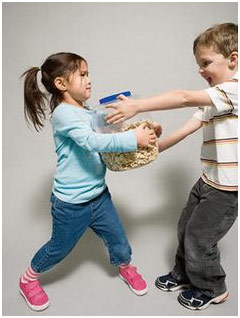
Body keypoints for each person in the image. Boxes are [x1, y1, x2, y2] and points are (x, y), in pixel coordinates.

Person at [106, 23, 238, 310]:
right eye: (198, 65)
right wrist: (146, 150)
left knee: (198, 236)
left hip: (226, 190)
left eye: (206, 63)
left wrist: (137, 106)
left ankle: (212, 287)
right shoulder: (214, 98)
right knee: (184, 228)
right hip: (208, 181)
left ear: (234, 59)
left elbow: (182, 96)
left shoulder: (233, 91)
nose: (201, 71)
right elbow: (185, 131)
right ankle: (185, 274)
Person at [19, 52, 158, 311]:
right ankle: (28, 280)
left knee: (118, 239)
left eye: (88, 73)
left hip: (99, 196)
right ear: (61, 84)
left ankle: (125, 266)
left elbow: (102, 127)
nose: (89, 80)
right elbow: (92, 141)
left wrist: (122, 113)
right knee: (58, 249)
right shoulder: (63, 115)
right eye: (82, 75)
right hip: (71, 205)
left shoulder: (85, 111)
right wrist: (133, 140)